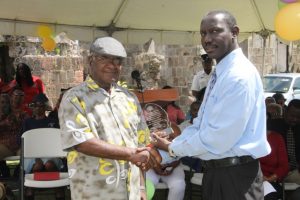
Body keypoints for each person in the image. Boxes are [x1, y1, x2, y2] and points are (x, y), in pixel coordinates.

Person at [152, 10, 270, 200]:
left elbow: (217, 138)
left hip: (236, 178)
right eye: (203, 33)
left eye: (215, 31)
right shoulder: (221, 71)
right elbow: (199, 124)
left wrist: (172, 149)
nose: (207, 39)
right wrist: (171, 145)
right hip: (218, 173)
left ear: (234, 32)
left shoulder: (238, 75)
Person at [58, 37, 158, 200]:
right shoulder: (74, 98)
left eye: (117, 60)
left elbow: (141, 146)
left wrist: (140, 187)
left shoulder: (129, 98)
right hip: (95, 192)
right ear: (90, 61)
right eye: (105, 58)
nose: (112, 65)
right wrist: (130, 153)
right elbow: (81, 142)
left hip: (130, 194)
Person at [146, 123, 186, 200]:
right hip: (151, 166)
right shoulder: (151, 128)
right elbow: (149, 149)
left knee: (178, 185)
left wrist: (172, 166)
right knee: (147, 183)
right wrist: (156, 167)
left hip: (173, 166)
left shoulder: (173, 127)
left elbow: (179, 153)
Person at [259, 118, 289, 200]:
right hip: (248, 180)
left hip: (269, 181)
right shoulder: (246, 140)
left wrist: (269, 179)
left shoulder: (276, 138)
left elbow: (284, 167)